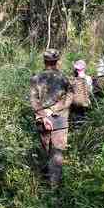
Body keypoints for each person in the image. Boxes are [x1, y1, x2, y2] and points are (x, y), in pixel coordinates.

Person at [29, 49, 73, 188]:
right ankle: (54, 187)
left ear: (44, 61)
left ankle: (44, 184)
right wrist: (56, 109)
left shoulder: (36, 79)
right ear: (57, 61)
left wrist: (44, 114)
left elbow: (34, 101)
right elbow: (70, 97)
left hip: (42, 120)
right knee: (57, 152)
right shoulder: (64, 79)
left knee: (46, 151)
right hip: (60, 119)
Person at [70, 60, 93, 126]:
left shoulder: (73, 79)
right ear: (84, 68)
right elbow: (90, 91)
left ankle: (76, 128)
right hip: (85, 102)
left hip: (75, 103)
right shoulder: (88, 78)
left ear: (76, 69)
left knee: (76, 118)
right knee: (84, 118)